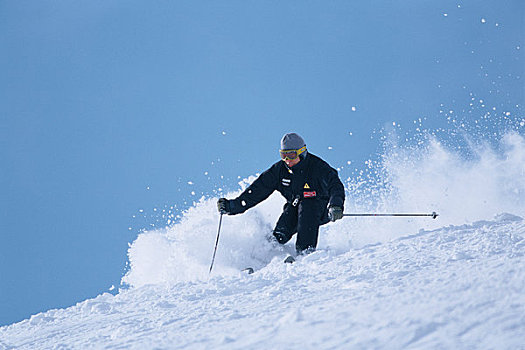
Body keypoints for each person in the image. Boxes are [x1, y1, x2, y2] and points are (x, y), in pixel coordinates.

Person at [217, 132, 345, 255]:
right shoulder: (279, 170)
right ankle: (266, 257)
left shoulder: (318, 167)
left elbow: (336, 186)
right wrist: (232, 206)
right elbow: (257, 190)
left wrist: (335, 206)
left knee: (307, 207)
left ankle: (305, 253)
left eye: (292, 155)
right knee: (281, 232)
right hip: (295, 207)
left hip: (321, 209)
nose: (287, 160)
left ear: (302, 152)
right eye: (283, 155)